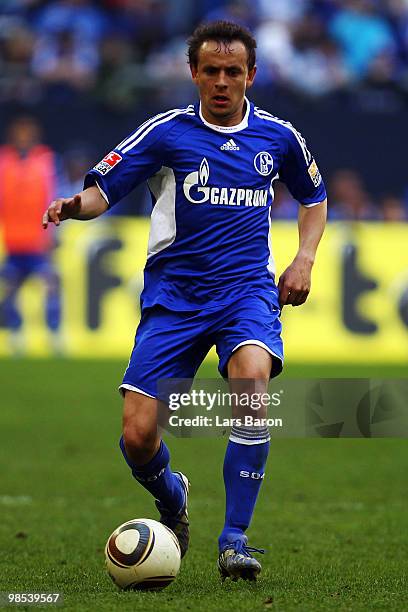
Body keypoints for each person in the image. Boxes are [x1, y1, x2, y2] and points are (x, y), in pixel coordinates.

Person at [43, 21, 327, 581]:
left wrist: (304, 258)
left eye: (233, 72)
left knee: (251, 385)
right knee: (137, 433)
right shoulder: (166, 132)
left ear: (251, 75)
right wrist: (73, 206)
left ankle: (234, 540)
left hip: (246, 291)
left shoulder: (278, 137)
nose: (222, 82)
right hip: (174, 299)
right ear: (193, 73)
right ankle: (173, 499)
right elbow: (104, 192)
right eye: (211, 71)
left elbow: (313, 197)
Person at [0, 115, 61, 354]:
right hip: (13, 241)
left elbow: (52, 197)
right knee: (10, 290)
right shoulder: (4, 161)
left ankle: (54, 335)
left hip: (39, 240)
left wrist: (54, 232)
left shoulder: (45, 161)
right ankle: (16, 334)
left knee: (51, 286)